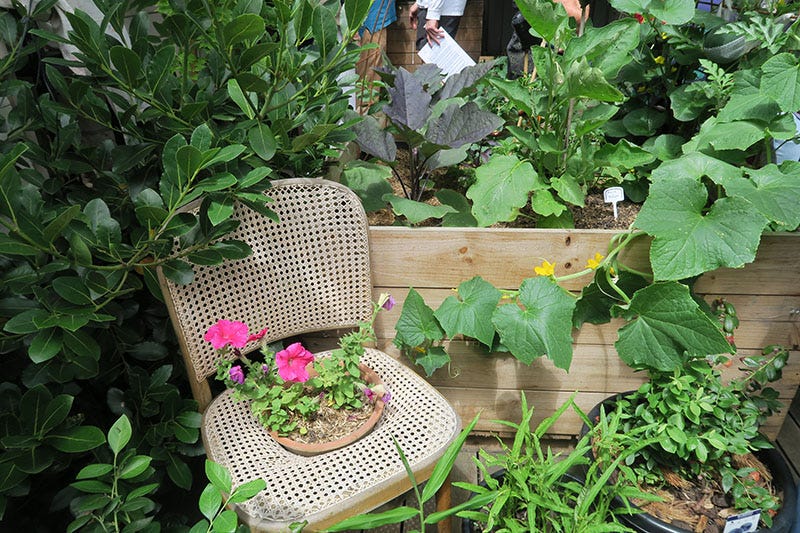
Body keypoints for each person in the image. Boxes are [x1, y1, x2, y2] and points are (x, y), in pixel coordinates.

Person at [355, 0, 397, 113]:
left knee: (370, 85)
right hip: (368, 21)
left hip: (374, 17)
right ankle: (365, 124)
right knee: (367, 89)